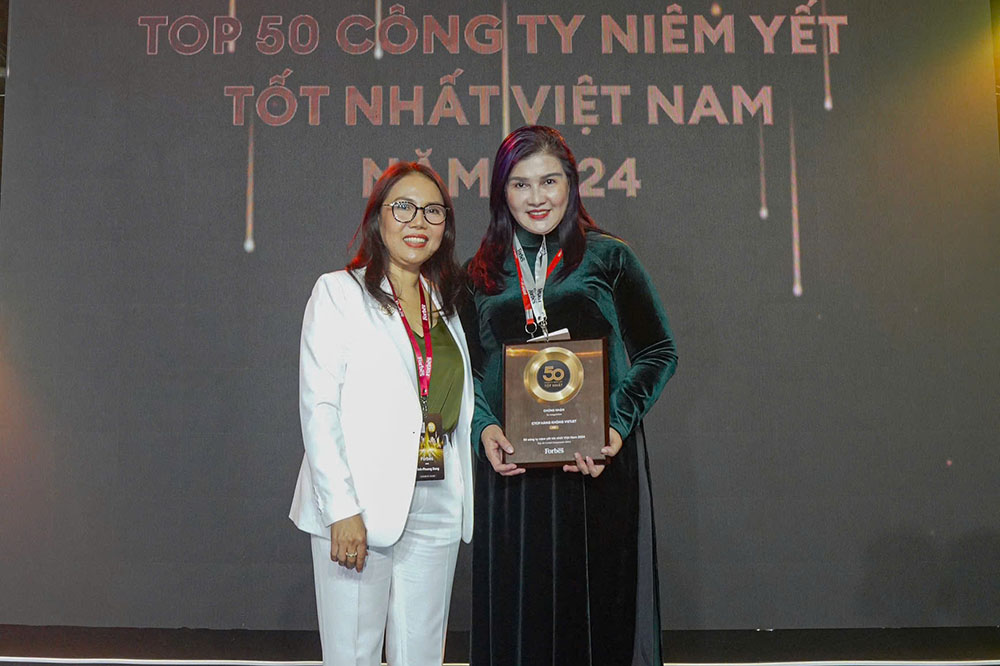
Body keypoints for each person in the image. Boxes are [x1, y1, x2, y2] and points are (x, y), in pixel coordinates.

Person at [462, 126, 678, 666]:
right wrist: (484, 427)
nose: (537, 199)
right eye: (520, 185)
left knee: (599, 613)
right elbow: (469, 370)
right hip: (512, 471)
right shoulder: (479, 273)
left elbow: (658, 350)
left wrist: (616, 425)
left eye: (549, 181)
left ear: (571, 184)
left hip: (595, 463)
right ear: (500, 193)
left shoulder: (609, 257)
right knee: (521, 616)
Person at [290, 162, 475, 666]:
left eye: (433, 211)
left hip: (437, 501)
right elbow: (319, 407)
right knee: (353, 655)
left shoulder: (447, 301)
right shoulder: (339, 292)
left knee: (422, 656)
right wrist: (341, 509)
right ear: (378, 219)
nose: (419, 220)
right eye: (404, 207)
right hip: (360, 509)